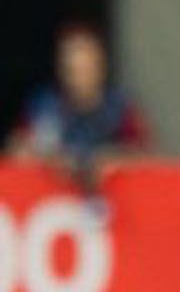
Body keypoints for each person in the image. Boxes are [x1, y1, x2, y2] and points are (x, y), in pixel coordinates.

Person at [8, 22, 147, 197]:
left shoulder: (120, 108)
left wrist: (113, 161)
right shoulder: (44, 107)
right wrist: (48, 160)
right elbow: (17, 151)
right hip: (53, 202)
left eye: (84, 69)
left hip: (111, 206)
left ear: (99, 67)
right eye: (71, 70)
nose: (76, 78)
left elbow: (144, 156)